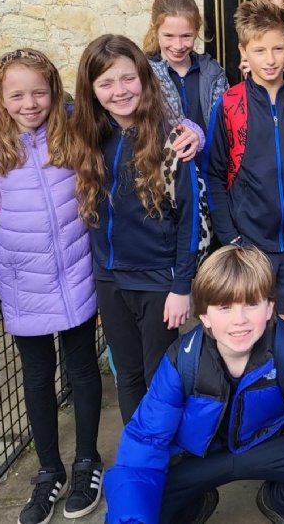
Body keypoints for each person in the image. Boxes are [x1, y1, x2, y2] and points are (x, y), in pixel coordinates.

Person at [104, 245, 284, 524]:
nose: (239, 320)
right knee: (149, 502)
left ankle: (281, 501)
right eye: (225, 307)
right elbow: (144, 443)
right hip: (198, 457)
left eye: (252, 304)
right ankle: (192, 506)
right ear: (204, 315)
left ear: (269, 308)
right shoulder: (182, 360)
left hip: (267, 444)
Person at [0, 49, 105, 524]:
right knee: (37, 380)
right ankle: (49, 470)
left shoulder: (75, 132)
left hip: (77, 276)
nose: (29, 103)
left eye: (39, 91)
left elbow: (140, 122)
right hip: (22, 284)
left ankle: (86, 463)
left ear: (55, 91)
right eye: (16, 94)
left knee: (82, 372)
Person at [67, 35, 205, 424]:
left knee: (161, 377)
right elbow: (21, 112)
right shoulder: (87, 133)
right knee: (126, 377)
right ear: (91, 90)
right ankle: (138, 460)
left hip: (158, 281)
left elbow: (189, 219)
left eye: (127, 79)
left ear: (144, 78)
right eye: (106, 83)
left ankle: (169, 461)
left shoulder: (172, 139)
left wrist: (182, 287)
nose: (119, 91)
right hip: (109, 279)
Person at [206, 0, 284, 334]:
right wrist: (231, 236)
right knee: (252, 322)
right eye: (259, 50)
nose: (270, 59)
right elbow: (214, 174)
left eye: (278, 48)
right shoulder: (230, 105)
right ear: (244, 51)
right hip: (249, 240)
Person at [144, 0, 229, 131]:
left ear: (197, 31)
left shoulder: (213, 71)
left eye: (186, 36)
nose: (178, 46)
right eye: (169, 36)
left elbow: (224, 123)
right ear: (154, 30)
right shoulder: (143, 72)